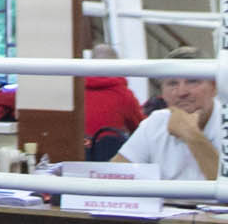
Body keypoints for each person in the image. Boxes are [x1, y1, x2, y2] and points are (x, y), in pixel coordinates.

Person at [113, 47, 219, 180]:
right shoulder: (156, 122)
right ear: (162, 92)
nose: (182, 92)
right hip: (165, 200)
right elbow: (115, 175)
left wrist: (192, 135)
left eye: (192, 81)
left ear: (214, 86)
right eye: (172, 83)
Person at [81, 42, 144, 160]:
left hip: (80, 157)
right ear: (117, 66)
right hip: (109, 163)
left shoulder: (77, 93)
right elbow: (141, 130)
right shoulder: (124, 95)